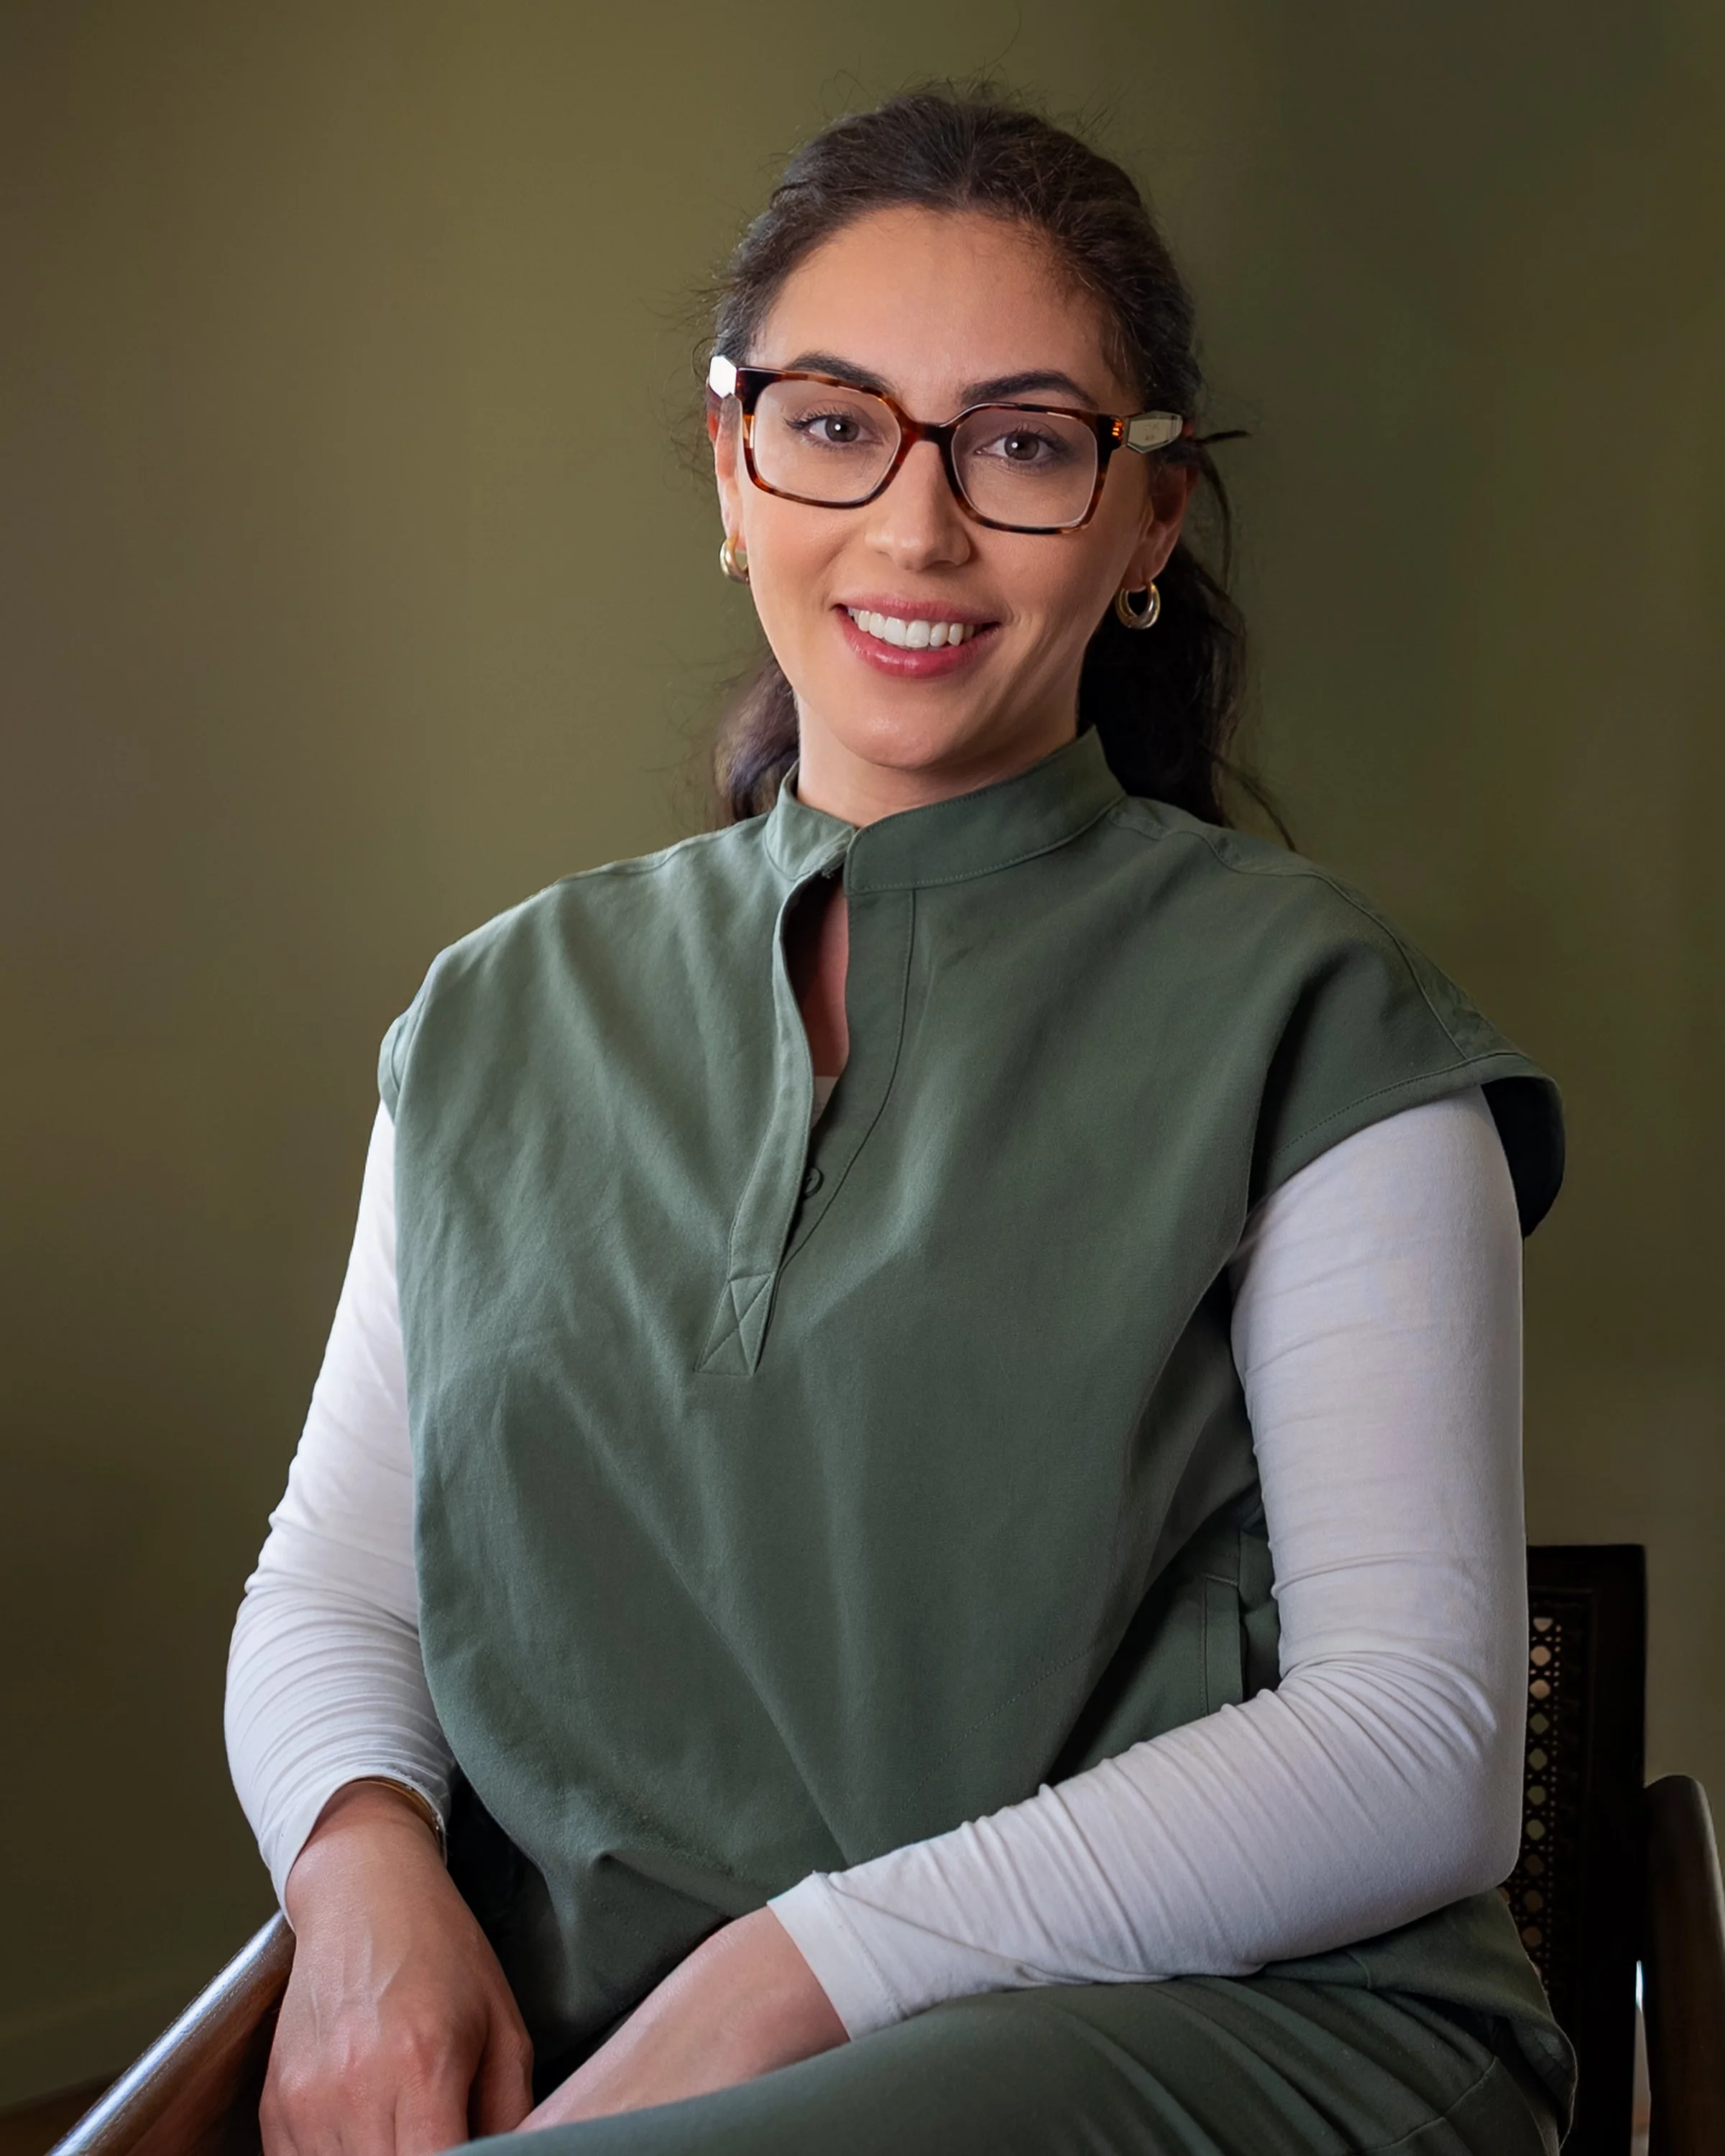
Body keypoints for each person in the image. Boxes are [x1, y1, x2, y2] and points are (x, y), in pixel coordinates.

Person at [226, 89, 1573, 2156]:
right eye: (835, 422)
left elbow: (1422, 1742)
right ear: (731, 466)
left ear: (1146, 527)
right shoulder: (492, 1018)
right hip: (611, 2060)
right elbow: (335, 1587)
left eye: (1023, 445)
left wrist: (790, 1977)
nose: (916, 529)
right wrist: (355, 1873)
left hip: (1223, 2033)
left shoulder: (1320, 1014)